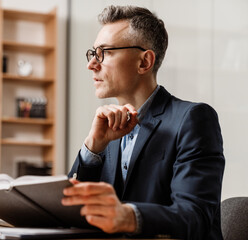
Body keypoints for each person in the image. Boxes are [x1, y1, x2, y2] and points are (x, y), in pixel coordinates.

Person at [62, 5, 225, 240]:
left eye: (104, 52)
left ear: (144, 62)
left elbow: (195, 217)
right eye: (93, 53)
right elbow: (69, 208)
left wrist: (128, 216)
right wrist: (92, 147)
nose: (92, 64)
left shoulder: (193, 119)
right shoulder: (107, 126)